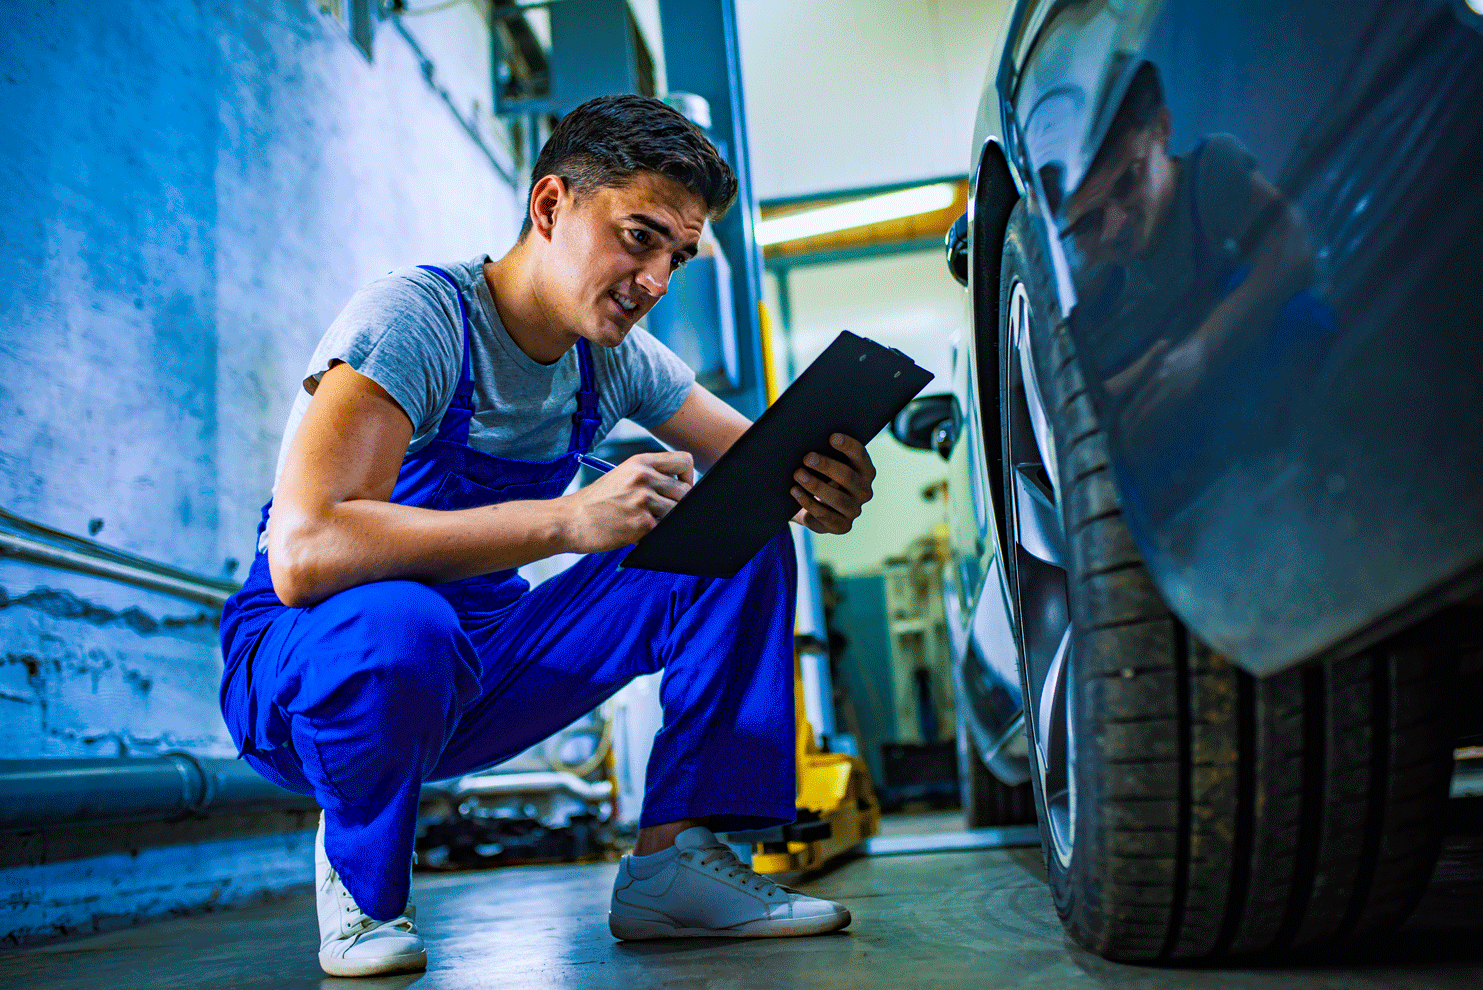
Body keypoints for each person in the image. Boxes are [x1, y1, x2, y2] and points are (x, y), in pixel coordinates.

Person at [218, 94, 874, 978]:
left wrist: (815, 488)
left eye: (677, 256)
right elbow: (305, 556)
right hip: (310, 681)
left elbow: (760, 468)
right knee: (403, 622)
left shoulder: (613, 358)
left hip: (481, 671)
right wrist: (566, 521)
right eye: (638, 237)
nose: (655, 282)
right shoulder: (416, 319)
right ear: (551, 205)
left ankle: (673, 866)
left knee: (740, 536)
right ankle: (361, 887)